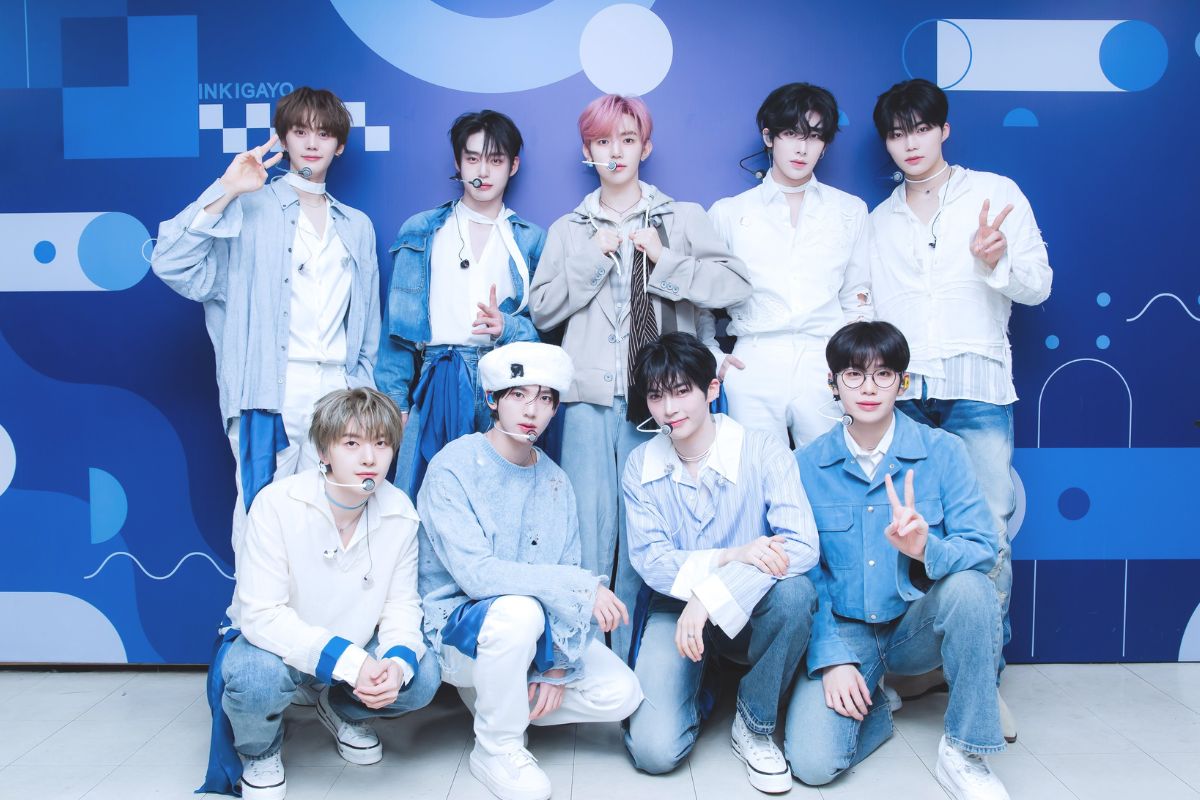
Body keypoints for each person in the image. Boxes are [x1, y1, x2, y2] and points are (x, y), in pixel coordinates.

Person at [529, 94, 751, 660]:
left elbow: (734, 286)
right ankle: (581, 662)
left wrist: (666, 261)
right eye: (603, 142)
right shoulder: (569, 229)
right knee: (586, 532)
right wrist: (592, 258)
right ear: (588, 152)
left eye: (627, 140)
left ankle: (633, 663)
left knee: (644, 536)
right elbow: (543, 311)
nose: (616, 152)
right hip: (587, 401)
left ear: (645, 148)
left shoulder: (682, 217)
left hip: (657, 403)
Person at [868, 78, 1053, 738]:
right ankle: (920, 666)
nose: (910, 143)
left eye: (921, 128)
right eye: (897, 133)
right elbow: (865, 307)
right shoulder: (878, 220)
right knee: (901, 535)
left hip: (977, 389)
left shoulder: (995, 195)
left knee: (986, 535)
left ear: (944, 130)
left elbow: (1039, 285)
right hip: (904, 395)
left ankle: (981, 683)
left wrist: (995, 261)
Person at [151, 86, 381, 552]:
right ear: (283, 138)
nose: (311, 143)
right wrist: (227, 188)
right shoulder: (249, 208)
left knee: (335, 520)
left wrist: (363, 391)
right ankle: (253, 602)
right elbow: (171, 263)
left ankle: (319, 603)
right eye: (300, 132)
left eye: (323, 134)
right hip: (269, 391)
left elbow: (367, 327)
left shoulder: (357, 225)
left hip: (339, 392)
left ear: (339, 145)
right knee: (263, 516)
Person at [786, 321, 1008, 800]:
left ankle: (965, 751)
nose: (869, 388)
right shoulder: (804, 465)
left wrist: (926, 550)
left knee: (972, 587)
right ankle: (877, 702)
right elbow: (805, 573)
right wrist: (831, 657)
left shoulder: (944, 451)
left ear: (901, 383)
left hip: (914, 626)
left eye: (883, 375)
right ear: (833, 384)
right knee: (812, 763)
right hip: (847, 633)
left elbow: (982, 546)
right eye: (853, 375)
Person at [417, 342, 643, 800]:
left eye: (544, 399)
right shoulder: (452, 469)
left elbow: (566, 566)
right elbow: (478, 576)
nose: (531, 410)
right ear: (492, 399)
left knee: (623, 693)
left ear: (555, 409)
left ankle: (501, 700)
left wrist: (556, 667)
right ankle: (496, 747)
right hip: (463, 633)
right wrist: (580, 587)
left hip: (531, 638)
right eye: (518, 395)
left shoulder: (556, 480)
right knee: (520, 611)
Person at [203, 387, 440, 799]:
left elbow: (402, 605)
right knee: (255, 679)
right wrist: (351, 662)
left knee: (422, 677)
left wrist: (394, 664)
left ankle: (341, 708)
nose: (369, 458)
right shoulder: (277, 504)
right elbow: (261, 615)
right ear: (324, 451)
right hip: (274, 648)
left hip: (356, 644)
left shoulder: (400, 512)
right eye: (351, 443)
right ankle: (261, 750)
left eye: (381, 444)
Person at [621, 332, 818, 794]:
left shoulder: (762, 449)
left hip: (752, 606)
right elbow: (652, 561)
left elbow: (801, 546)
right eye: (656, 396)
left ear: (712, 389)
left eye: (681, 391)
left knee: (795, 594)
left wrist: (711, 595)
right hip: (676, 608)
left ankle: (754, 722)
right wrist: (731, 556)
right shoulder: (639, 464)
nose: (669, 409)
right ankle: (704, 683)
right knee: (654, 752)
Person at [376, 110, 545, 497]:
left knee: (501, 497)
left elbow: (549, 329)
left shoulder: (531, 239)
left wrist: (508, 327)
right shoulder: (422, 230)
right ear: (458, 162)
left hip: (506, 382)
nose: (482, 171)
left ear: (513, 166)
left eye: (495, 160)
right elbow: (396, 330)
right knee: (426, 496)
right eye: (472, 159)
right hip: (440, 375)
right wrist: (395, 402)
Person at [704, 82, 871, 448]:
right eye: (791, 133)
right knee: (755, 474)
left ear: (825, 145)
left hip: (826, 359)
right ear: (769, 137)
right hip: (754, 358)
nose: (802, 147)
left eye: (814, 136)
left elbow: (858, 298)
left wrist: (854, 366)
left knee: (830, 470)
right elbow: (701, 300)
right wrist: (714, 357)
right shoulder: (728, 213)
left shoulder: (850, 211)